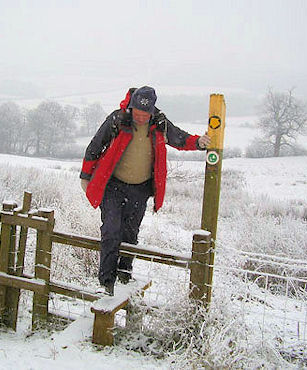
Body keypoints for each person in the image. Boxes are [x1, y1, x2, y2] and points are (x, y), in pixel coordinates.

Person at [80, 86, 210, 295]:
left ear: (152, 111)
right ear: (131, 107)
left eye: (145, 114)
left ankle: (124, 274)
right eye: (137, 113)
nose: (140, 118)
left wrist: (198, 143)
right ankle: (106, 283)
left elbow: (180, 138)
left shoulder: (160, 124)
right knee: (111, 230)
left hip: (141, 188)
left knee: (130, 233)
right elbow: (95, 146)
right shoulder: (117, 120)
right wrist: (85, 177)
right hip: (113, 185)